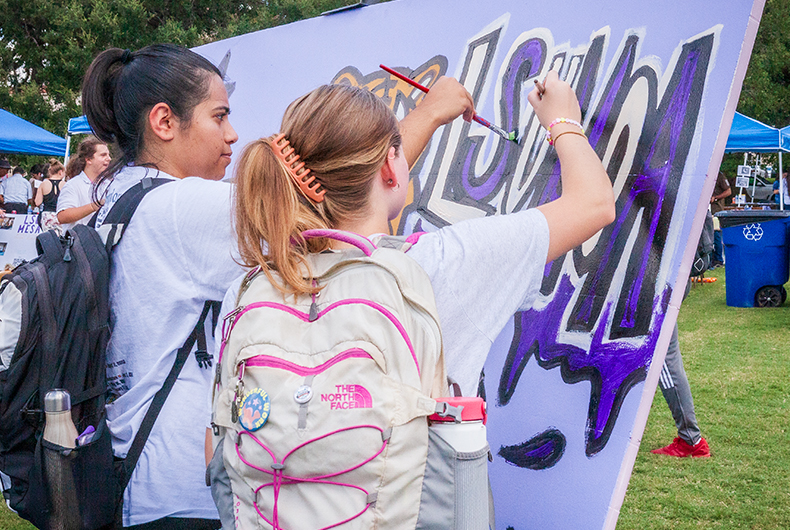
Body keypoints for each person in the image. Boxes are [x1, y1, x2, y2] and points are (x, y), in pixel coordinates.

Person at [82, 43, 475, 529]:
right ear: (164, 122)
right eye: (219, 116)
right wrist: (427, 115)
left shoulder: (123, 201)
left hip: (130, 478)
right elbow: (337, 200)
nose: (233, 134)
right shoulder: (180, 208)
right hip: (177, 496)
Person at [223, 72, 613, 479]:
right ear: (391, 167)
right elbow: (594, 203)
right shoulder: (435, 265)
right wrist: (563, 120)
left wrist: (425, 116)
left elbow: (221, 446)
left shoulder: (250, 290)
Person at [57, 136, 111, 229]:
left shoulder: (109, 184)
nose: (109, 159)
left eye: (109, 155)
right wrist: (94, 206)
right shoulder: (73, 185)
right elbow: (62, 216)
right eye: (103, 155)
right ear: (88, 159)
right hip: (79, 241)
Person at [35, 159, 67, 232]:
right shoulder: (65, 185)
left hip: (47, 215)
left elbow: (37, 202)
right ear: (60, 172)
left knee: (48, 239)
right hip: (60, 215)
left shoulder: (43, 184)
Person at [709, 170, 731, 268]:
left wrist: (716, 198)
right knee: (708, 235)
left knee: (716, 234)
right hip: (705, 209)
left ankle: (718, 260)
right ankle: (709, 259)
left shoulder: (719, 175)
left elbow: (728, 191)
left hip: (716, 210)